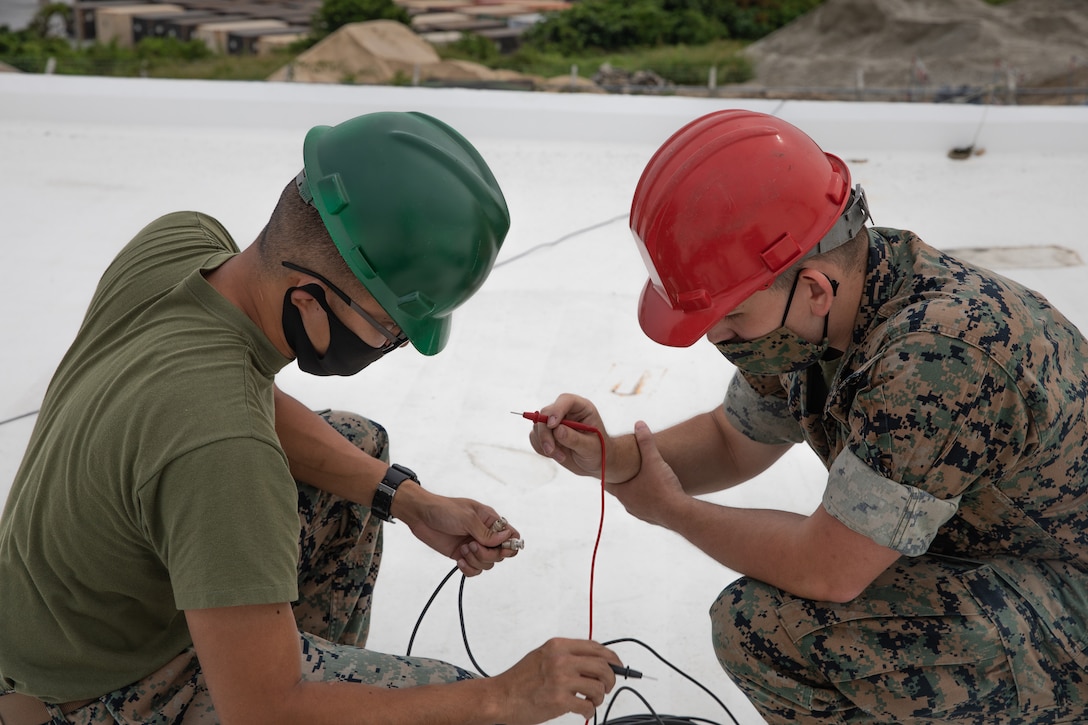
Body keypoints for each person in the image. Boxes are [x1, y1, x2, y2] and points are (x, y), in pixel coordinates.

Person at [0, 111, 619, 725]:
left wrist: (407, 500)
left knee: (358, 446)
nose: (388, 347)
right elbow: (266, 709)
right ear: (308, 299)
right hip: (98, 688)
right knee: (461, 711)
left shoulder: (177, 244)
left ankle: (284, 653)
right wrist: (503, 697)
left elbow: (248, 406)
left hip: (53, 614)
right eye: (389, 331)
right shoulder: (223, 450)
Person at [528, 109, 1088, 723]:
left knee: (766, 628)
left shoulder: (936, 359)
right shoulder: (820, 313)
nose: (719, 338)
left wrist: (673, 511)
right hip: (996, 557)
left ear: (814, 288)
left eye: (732, 319)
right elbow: (732, 440)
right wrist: (611, 455)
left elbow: (830, 570)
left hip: (1067, 590)